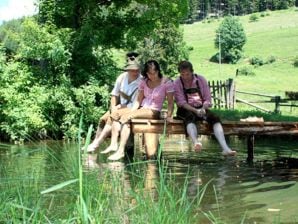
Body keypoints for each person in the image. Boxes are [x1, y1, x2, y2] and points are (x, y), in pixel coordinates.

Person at [104, 60, 174, 161]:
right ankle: (116, 146)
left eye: (154, 73)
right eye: (149, 73)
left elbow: (171, 102)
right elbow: (138, 101)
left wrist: (169, 115)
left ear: (158, 71)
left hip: (154, 110)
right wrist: (132, 112)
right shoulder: (144, 82)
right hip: (142, 108)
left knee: (126, 117)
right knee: (118, 115)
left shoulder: (166, 82)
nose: (152, 76)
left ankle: (120, 151)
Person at [174, 60, 236, 156]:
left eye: (187, 74)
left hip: (202, 107)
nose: (185, 77)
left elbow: (207, 98)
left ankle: (225, 148)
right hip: (186, 108)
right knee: (189, 117)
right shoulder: (177, 82)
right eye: (182, 74)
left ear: (192, 72)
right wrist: (195, 110)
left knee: (215, 118)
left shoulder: (201, 80)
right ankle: (196, 142)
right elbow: (181, 102)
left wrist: (203, 108)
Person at [84, 53, 142, 153]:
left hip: (133, 108)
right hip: (120, 107)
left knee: (113, 116)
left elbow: (138, 101)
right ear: (127, 70)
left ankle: (97, 144)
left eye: (137, 70)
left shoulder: (141, 81)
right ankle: (95, 141)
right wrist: (113, 107)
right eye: (133, 70)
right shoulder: (122, 77)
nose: (135, 72)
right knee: (103, 119)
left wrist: (120, 108)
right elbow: (114, 95)